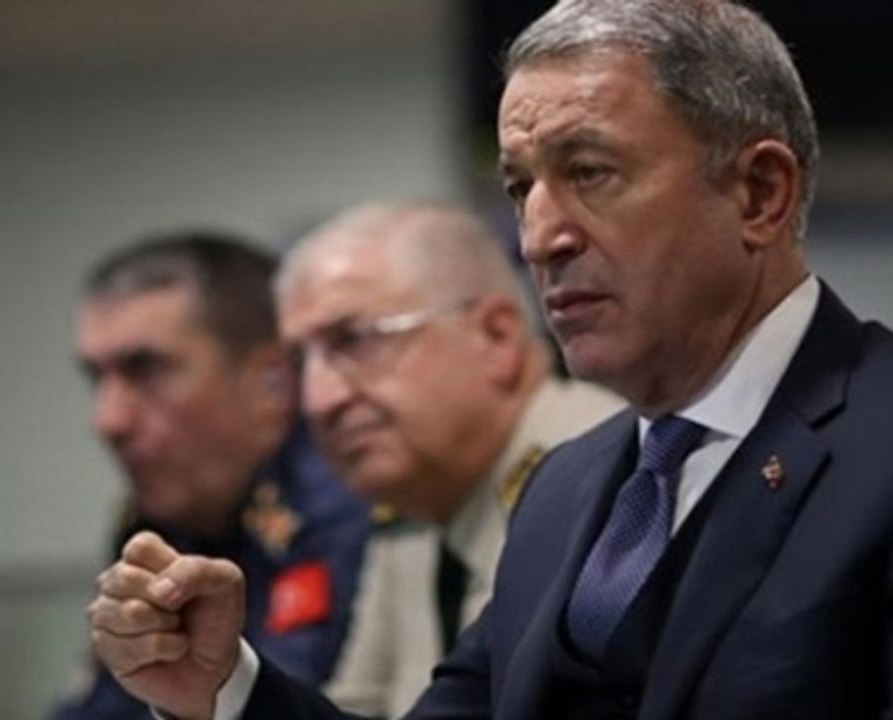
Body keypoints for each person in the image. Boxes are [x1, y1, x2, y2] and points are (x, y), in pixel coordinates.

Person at [84, 0, 893, 718]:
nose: (539, 238)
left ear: (758, 194)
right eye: (519, 188)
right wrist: (225, 689)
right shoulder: (566, 491)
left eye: (589, 172)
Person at [275, 202, 620, 717]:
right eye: (302, 361)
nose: (319, 399)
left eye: (355, 341)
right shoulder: (416, 500)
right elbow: (358, 705)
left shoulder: (612, 480)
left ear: (496, 337)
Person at [52, 232, 372, 720]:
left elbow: (282, 700)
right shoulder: (163, 518)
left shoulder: (342, 499)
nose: (108, 421)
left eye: (145, 370)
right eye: (98, 378)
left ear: (271, 382)